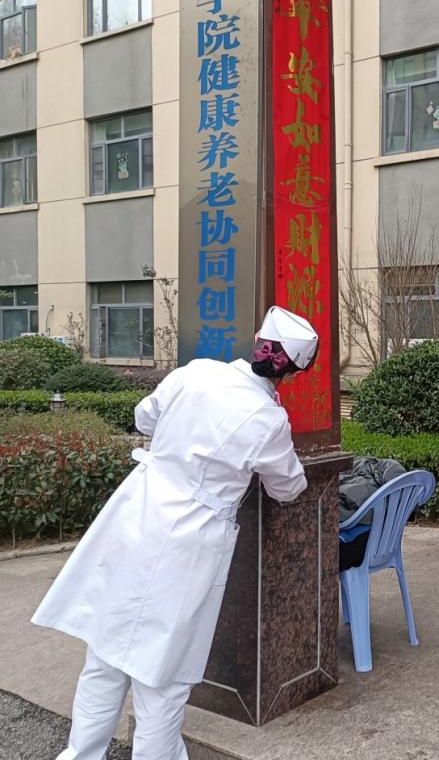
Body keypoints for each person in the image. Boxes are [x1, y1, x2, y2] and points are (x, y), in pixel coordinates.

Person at [33, 306, 317, 760]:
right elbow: (287, 486)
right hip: (192, 543)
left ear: (256, 341)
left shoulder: (196, 372)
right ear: (295, 372)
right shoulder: (267, 420)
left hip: (137, 518)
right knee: (163, 676)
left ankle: (81, 753)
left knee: (105, 654)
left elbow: (144, 418)